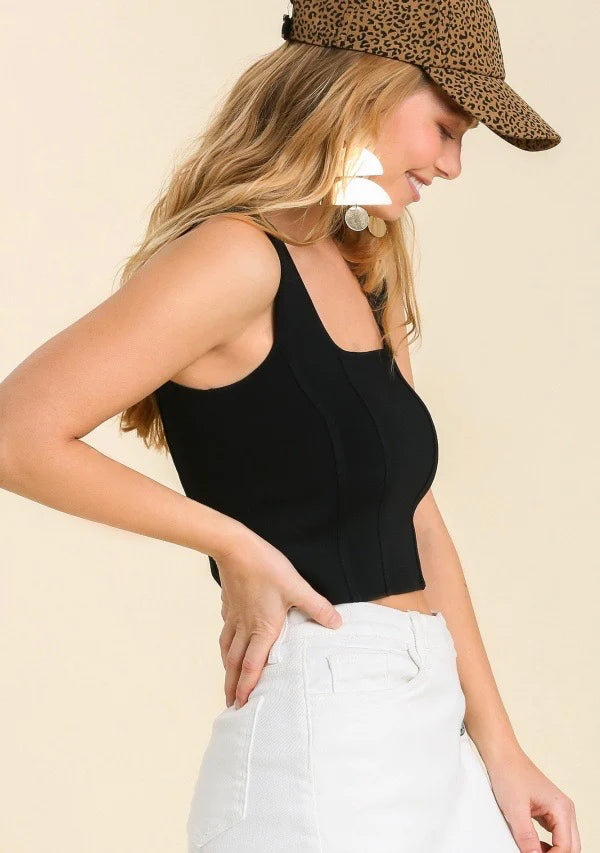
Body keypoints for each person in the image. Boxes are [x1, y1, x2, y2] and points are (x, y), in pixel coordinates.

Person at [0, 0, 580, 851]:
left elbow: (416, 515)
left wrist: (502, 749)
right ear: (366, 87)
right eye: (446, 129)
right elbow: (16, 432)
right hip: (324, 735)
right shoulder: (236, 257)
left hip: (429, 713)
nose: (453, 165)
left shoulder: (365, 264)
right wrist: (235, 544)